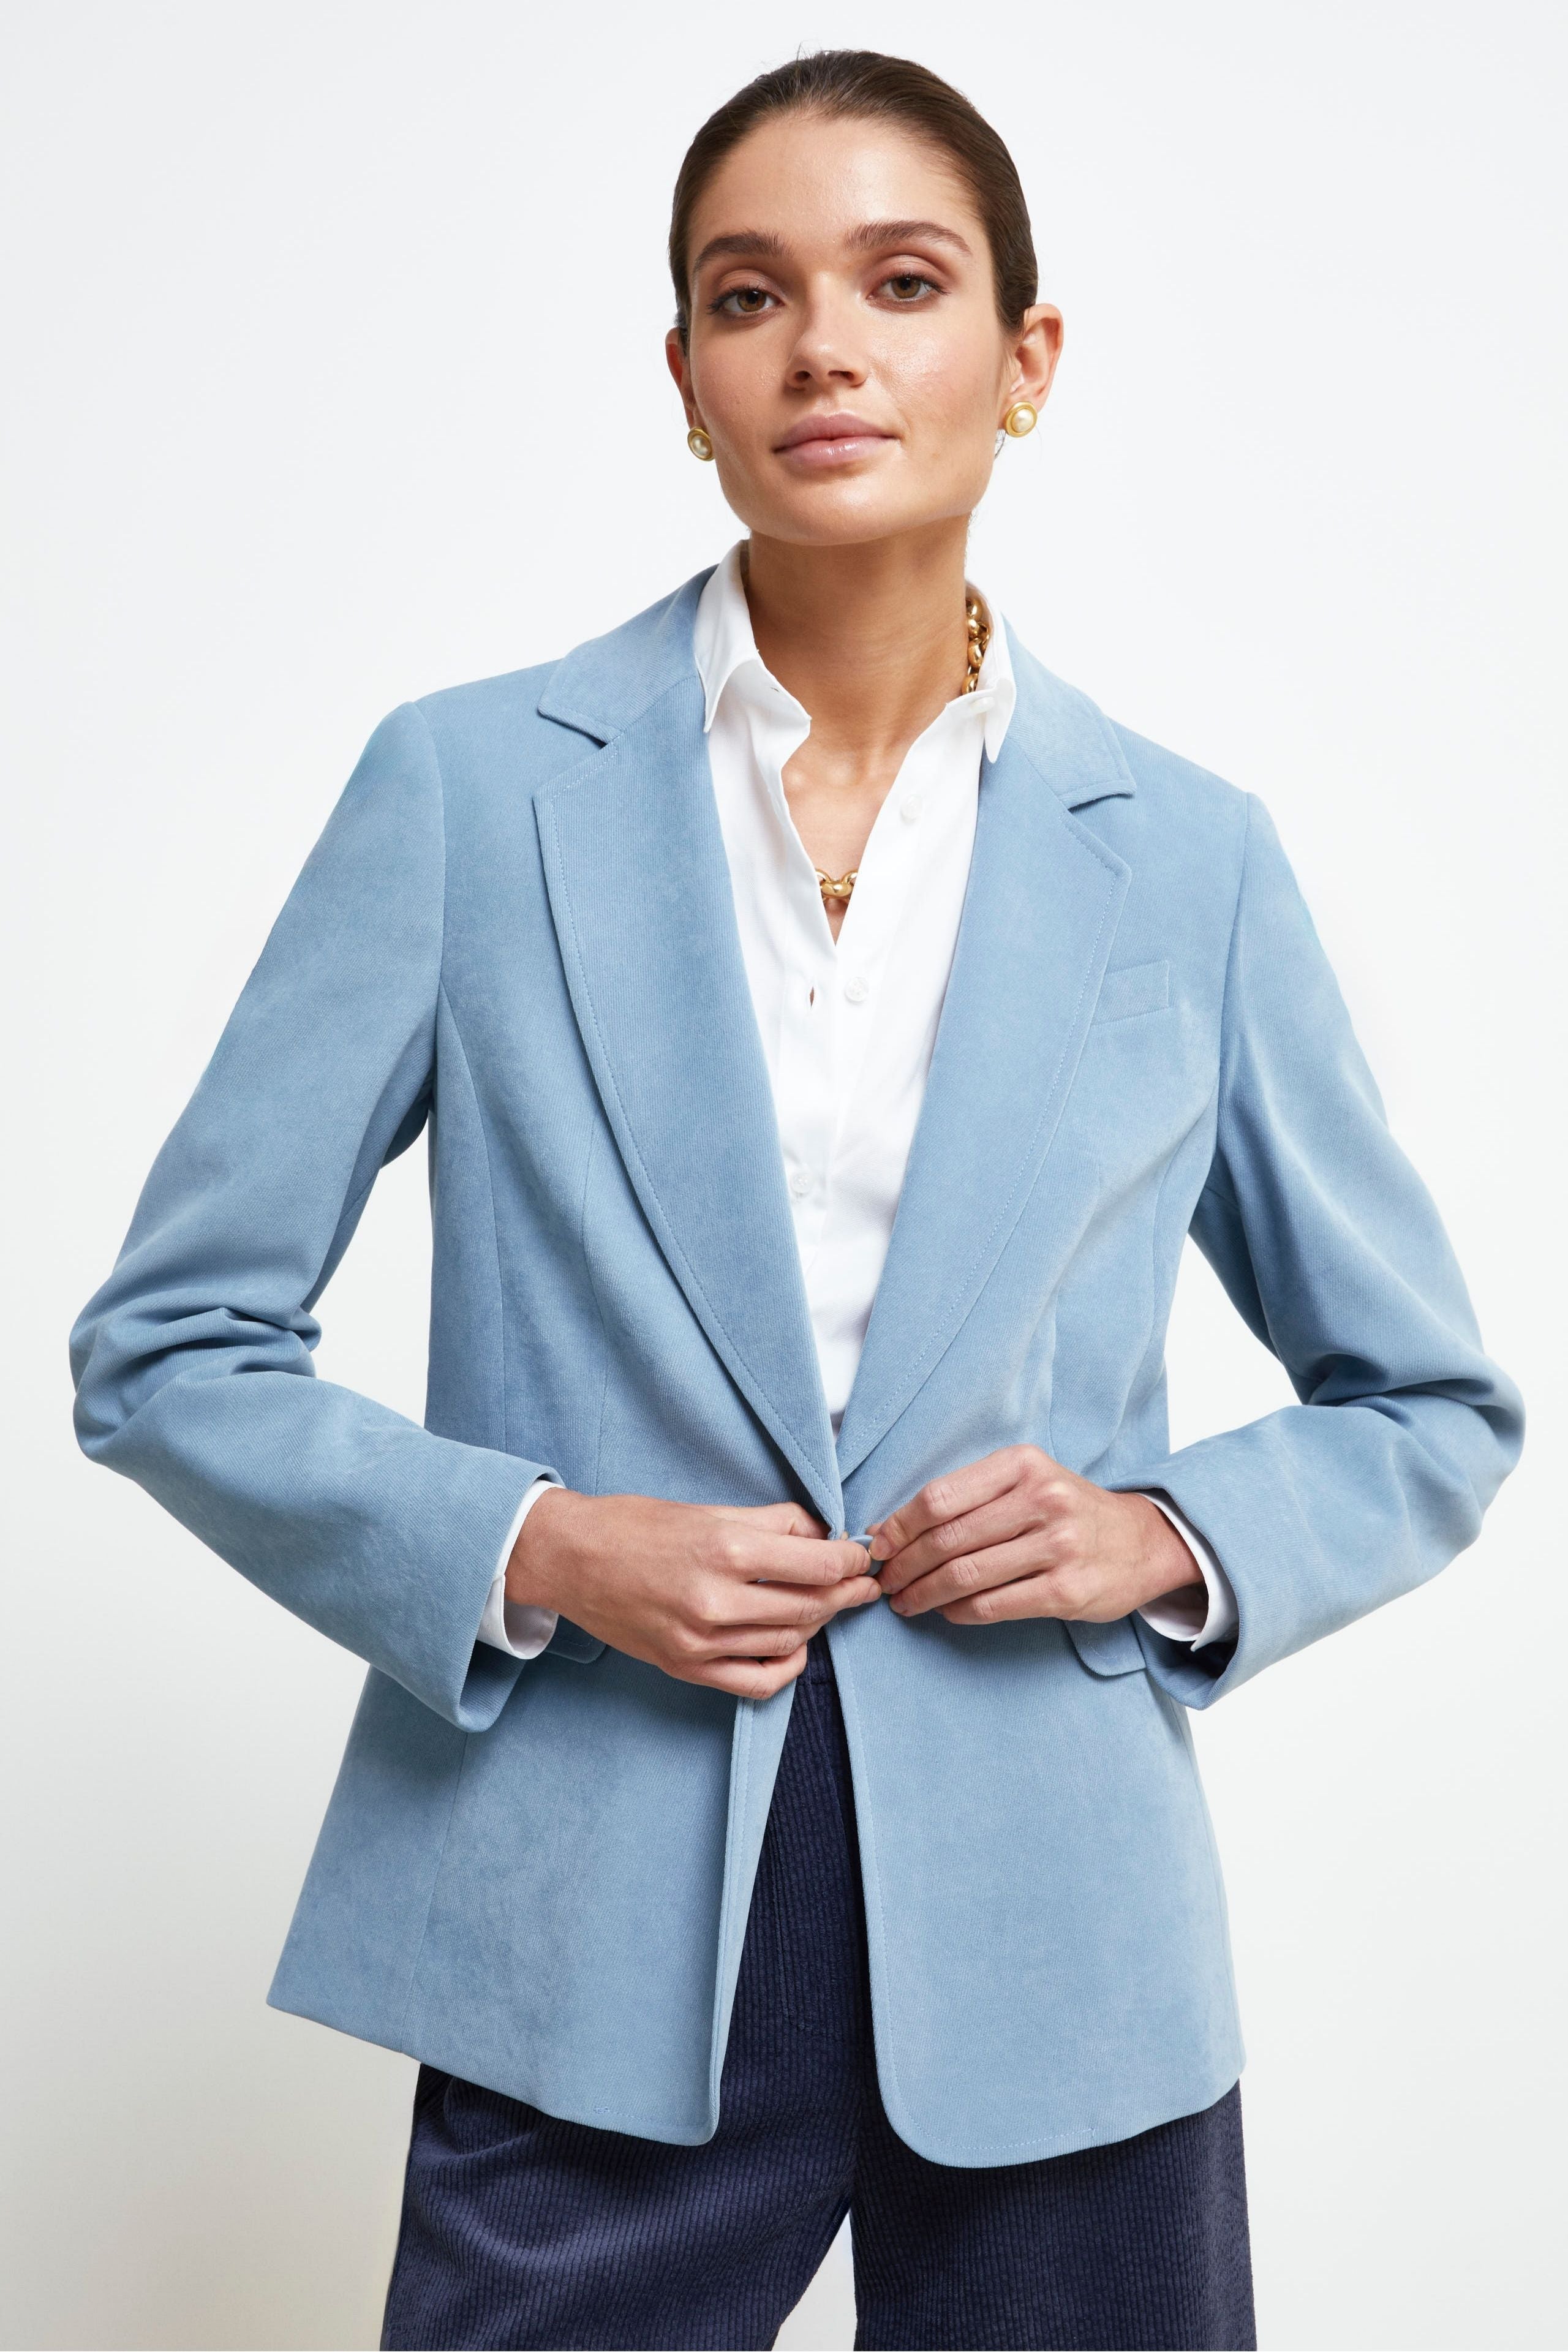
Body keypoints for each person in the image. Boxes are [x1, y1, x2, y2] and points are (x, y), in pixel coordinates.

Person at [69, 48, 1522, 2352]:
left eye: (902, 282)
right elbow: (164, 1352)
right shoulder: (470, 794)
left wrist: (1167, 1537)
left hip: (1064, 1954)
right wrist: (545, 1545)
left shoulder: (1191, 859)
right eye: (751, 296)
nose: (824, 346)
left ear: (1028, 357)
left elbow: (1428, 1404)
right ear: (686, 378)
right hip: (586, 1918)